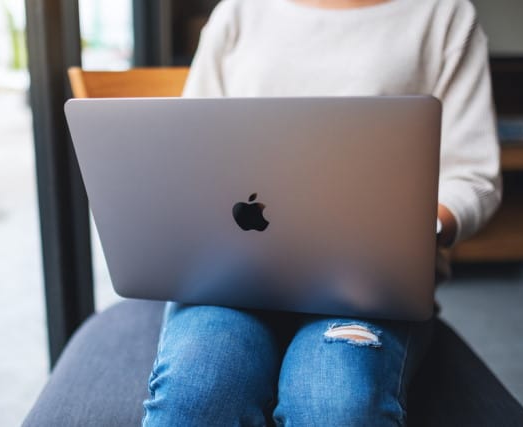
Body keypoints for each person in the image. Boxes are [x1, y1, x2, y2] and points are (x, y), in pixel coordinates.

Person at [142, 0, 501, 425]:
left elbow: (473, 177)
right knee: (196, 394)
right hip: (231, 277)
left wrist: (413, 230)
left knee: (336, 405)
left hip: (368, 285)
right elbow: (191, 151)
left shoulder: (442, 15)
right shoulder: (239, 12)